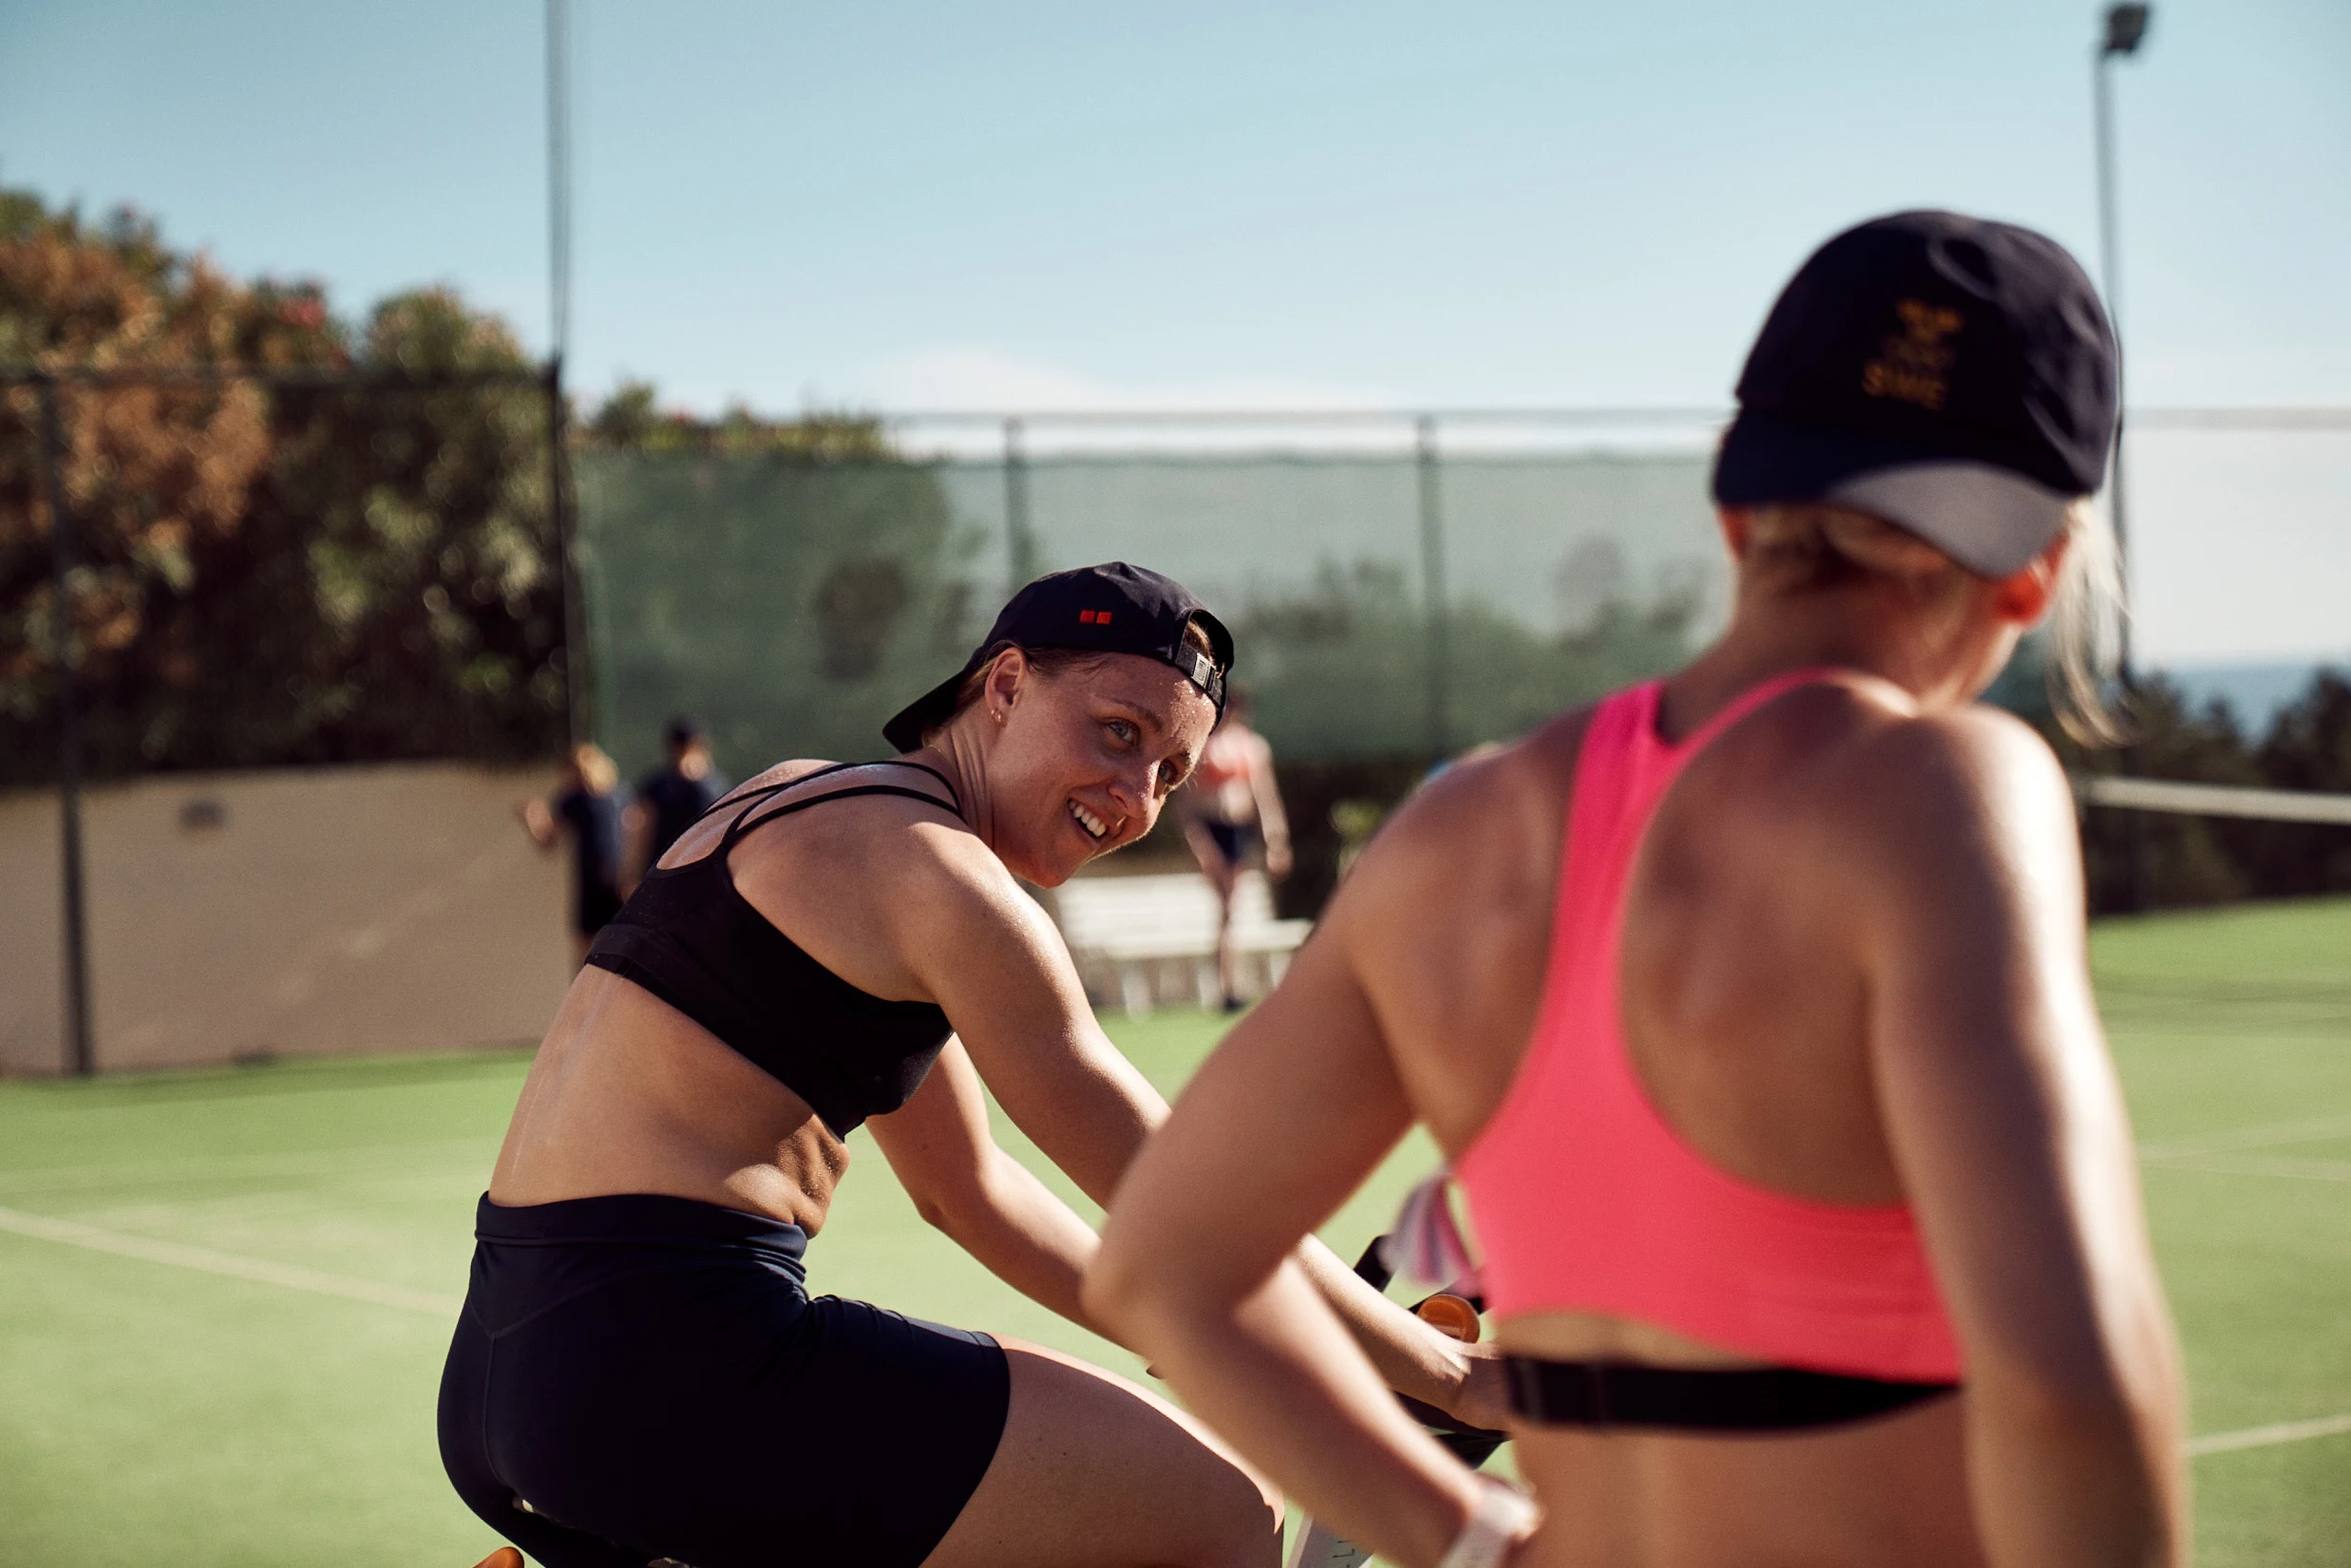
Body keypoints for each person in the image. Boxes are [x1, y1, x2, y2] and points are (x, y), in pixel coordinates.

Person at [1090, 212, 2188, 1568]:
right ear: (2034, 571)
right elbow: (2070, 1382)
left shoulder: (1455, 832)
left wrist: (1471, 1539)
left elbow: (1160, 1266)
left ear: (1734, 499)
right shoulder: (1944, 792)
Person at [440, 562, 1505, 1568]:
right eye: (1117, 731)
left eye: (1169, 773)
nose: (1133, 795)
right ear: (1003, 685)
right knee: (1225, 1511)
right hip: (669, 1368)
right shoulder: (948, 885)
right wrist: (1446, 1378)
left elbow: (971, 1191)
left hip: (504, 1370)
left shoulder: (801, 799)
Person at [1178, 687, 1293, 1010]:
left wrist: (1275, 841)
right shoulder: (1204, 746)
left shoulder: (1252, 747)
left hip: (1238, 831)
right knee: (1226, 908)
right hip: (1212, 830)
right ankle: (1226, 986)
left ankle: (1229, 984)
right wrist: (1200, 845)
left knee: (1230, 909)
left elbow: (1265, 798)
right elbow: (1185, 805)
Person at [518, 743, 624, 967]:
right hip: (608, 881)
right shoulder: (615, 796)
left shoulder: (580, 799)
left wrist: (531, 819)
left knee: (589, 953)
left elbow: (547, 841)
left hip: (608, 883)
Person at [622, 714, 730, 895]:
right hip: (676, 872)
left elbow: (640, 829)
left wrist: (632, 872)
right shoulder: (713, 785)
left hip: (686, 872)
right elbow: (641, 827)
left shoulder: (711, 786)